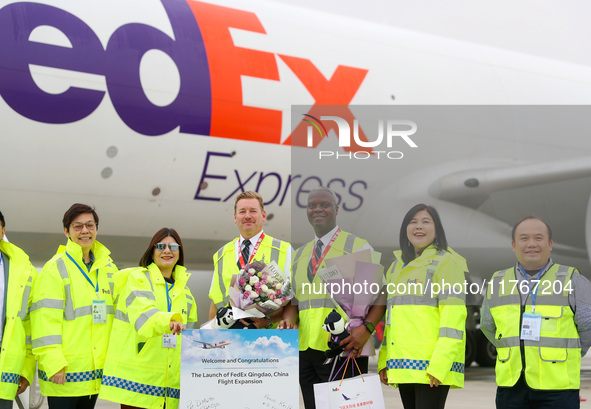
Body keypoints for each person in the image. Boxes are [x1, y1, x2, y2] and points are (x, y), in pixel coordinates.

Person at [279, 187, 386, 409]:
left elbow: (381, 294)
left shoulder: (357, 245)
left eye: (324, 205)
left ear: (336, 209)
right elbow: (294, 301)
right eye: (312, 205)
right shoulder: (300, 255)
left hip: (344, 347)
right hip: (306, 350)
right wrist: (288, 319)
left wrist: (366, 329)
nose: (318, 209)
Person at [480, 216, 591, 409]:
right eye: (524, 238)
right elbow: (488, 325)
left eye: (538, 238)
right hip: (511, 386)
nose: (531, 244)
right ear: (514, 245)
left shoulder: (573, 280)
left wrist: (566, 355)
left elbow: (587, 326)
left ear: (550, 244)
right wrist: (511, 349)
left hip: (558, 387)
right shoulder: (497, 282)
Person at [377, 204, 468, 409]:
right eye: (413, 222)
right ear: (405, 229)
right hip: (403, 365)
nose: (419, 227)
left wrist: (441, 363)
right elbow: (392, 320)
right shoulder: (397, 266)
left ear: (437, 230)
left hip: (431, 368)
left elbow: (453, 318)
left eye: (426, 222)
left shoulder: (447, 263)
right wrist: (385, 360)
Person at [31, 203, 118, 409]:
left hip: (94, 375)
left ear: (97, 228)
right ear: (66, 231)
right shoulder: (55, 268)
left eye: (90, 225)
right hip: (65, 373)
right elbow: (44, 321)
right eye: (77, 226)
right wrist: (53, 362)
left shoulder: (107, 268)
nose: (85, 231)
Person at [100, 228, 197, 409]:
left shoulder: (186, 293)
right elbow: (143, 315)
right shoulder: (138, 279)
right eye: (160, 246)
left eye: (173, 246)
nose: (167, 250)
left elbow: (190, 339)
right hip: (138, 384)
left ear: (179, 253)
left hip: (171, 387)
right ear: (152, 252)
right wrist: (171, 320)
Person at [208, 190, 292, 328]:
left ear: (263, 215)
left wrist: (266, 321)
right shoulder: (221, 254)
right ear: (235, 217)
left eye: (253, 211)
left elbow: (293, 299)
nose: (247, 216)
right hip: (231, 337)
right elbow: (215, 302)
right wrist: (211, 333)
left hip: (269, 337)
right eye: (242, 212)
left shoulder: (284, 250)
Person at [0, 211, 37, 408]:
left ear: (3, 230)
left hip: (6, 368)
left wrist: (27, 368)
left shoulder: (23, 269)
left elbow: (29, 324)